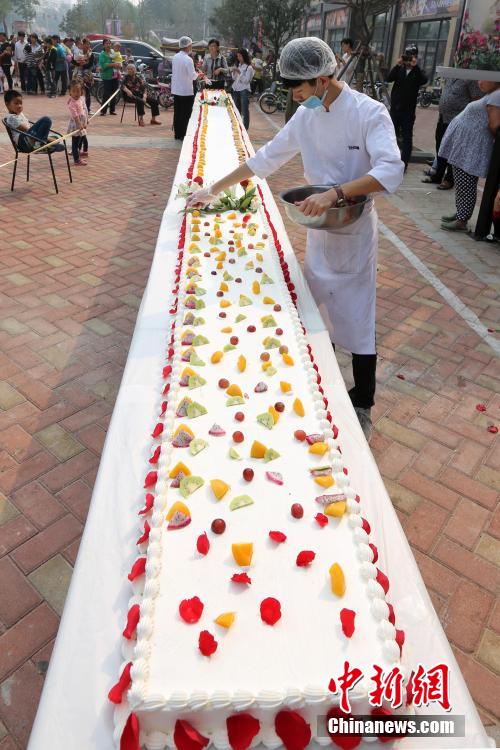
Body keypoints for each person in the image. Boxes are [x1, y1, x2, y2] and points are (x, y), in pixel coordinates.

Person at [188, 37, 404, 440]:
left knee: (358, 317)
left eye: (298, 88)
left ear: (322, 79)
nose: (294, 96)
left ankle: (363, 402)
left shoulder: (368, 113)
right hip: (320, 232)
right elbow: (266, 157)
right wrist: (214, 189)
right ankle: (320, 380)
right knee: (312, 308)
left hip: (354, 229)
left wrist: (335, 193)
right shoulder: (307, 115)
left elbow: (391, 170)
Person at [438, 80, 500, 232]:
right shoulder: (492, 94)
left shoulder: (497, 95)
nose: (479, 82)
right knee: (461, 181)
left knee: (465, 182)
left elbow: (494, 124)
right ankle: (461, 212)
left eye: (484, 78)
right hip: (467, 145)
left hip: (471, 146)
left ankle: (462, 219)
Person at [422, 77, 482, 190]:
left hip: (457, 121)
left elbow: (476, 99)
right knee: (440, 147)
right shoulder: (450, 76)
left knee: (452, 151)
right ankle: (437, 175)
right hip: (443, 118)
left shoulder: (470, 78)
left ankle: (449, 179)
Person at [387, 51, 427, 170]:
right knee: (390, 136)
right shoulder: (400, 69)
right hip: (395, 109)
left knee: (407, 137)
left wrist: (416, 66)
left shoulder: (417, 72)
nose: (409, 60)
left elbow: (424, 80)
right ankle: (390, 161)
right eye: (407, 57)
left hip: (408, 112)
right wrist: (397, 65)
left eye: (411, 58)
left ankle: (403, 164)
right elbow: (389, 78)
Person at [171, 36, 198, 140]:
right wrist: (198, 74)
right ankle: (183, 134)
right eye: (191, 45)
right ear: (188, 46)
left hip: (176, 89)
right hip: (186, 90)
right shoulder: (188, 59)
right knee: (185, 113)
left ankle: (177, 134)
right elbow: (192, 76)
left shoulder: (175, 57)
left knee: (177, 112)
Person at [67, 80, 88, 166]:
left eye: (78, 91)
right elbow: (75, 116)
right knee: (75, 143)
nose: (76, 93)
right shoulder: (72, 104)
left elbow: (84, 109)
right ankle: (77, 159)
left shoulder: (81, 99)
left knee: (80, 139)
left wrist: (86, 120)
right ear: (70, 93)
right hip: (76, 125)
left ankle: (79, 153)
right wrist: (79, 124)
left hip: (82, 123)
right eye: (74, 91)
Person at [231, 48, 253, 129]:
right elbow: (234, 78)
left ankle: (245, 128)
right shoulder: (239, 65)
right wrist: (234, 72)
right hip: (236, 89)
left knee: (245, 111)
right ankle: (237, 127)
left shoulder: (249, 68)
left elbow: (246, 81)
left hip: (244, 90)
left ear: (244, 56)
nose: (238, 58)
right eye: (238, 56)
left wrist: (239, 72)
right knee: (236, 110)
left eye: (240, 56)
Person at [99, 37, 120, 115]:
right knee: (107, 93)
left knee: (114, 93)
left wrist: (118, 64)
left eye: (109, 43)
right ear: (103, 45)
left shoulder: (113, 51)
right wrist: (111, 64)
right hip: (106, 76)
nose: (108, 45)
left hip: (115, 75)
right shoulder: (102, 54)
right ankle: (103, 110)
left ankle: (112, 110)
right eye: (106, 43)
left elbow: (118, 59)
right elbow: (103, 66)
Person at [73, 38, 94, 113]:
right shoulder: (77, 53)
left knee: (87, 91)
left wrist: (83, 65)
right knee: (78, 91)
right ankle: (78, 108)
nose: (88, 45)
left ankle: (88, 109)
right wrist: (78, 63)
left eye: (89, 44)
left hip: (87, 75)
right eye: (86, 44)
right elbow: (73, 61)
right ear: (82, 45)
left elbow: (90, 64)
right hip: (78, 74)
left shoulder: (91, 54)